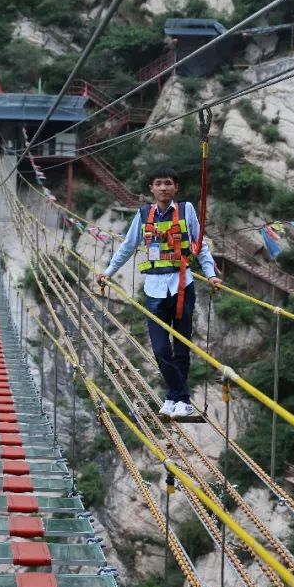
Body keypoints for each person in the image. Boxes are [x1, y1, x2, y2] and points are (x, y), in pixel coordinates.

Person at [95, 167, 222, 419]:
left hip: (182, 284)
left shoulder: (186, 211)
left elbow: (200, 246)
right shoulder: (143, 215)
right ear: (151, 189)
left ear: (176, 187)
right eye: (158, 184)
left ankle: (175, 399)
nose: (163, 188)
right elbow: (127, 247)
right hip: (154, 289)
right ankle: (180, 396)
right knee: (161, 348)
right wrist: (108, 272)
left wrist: (210, 274)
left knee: (181, 346)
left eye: (167, 183)